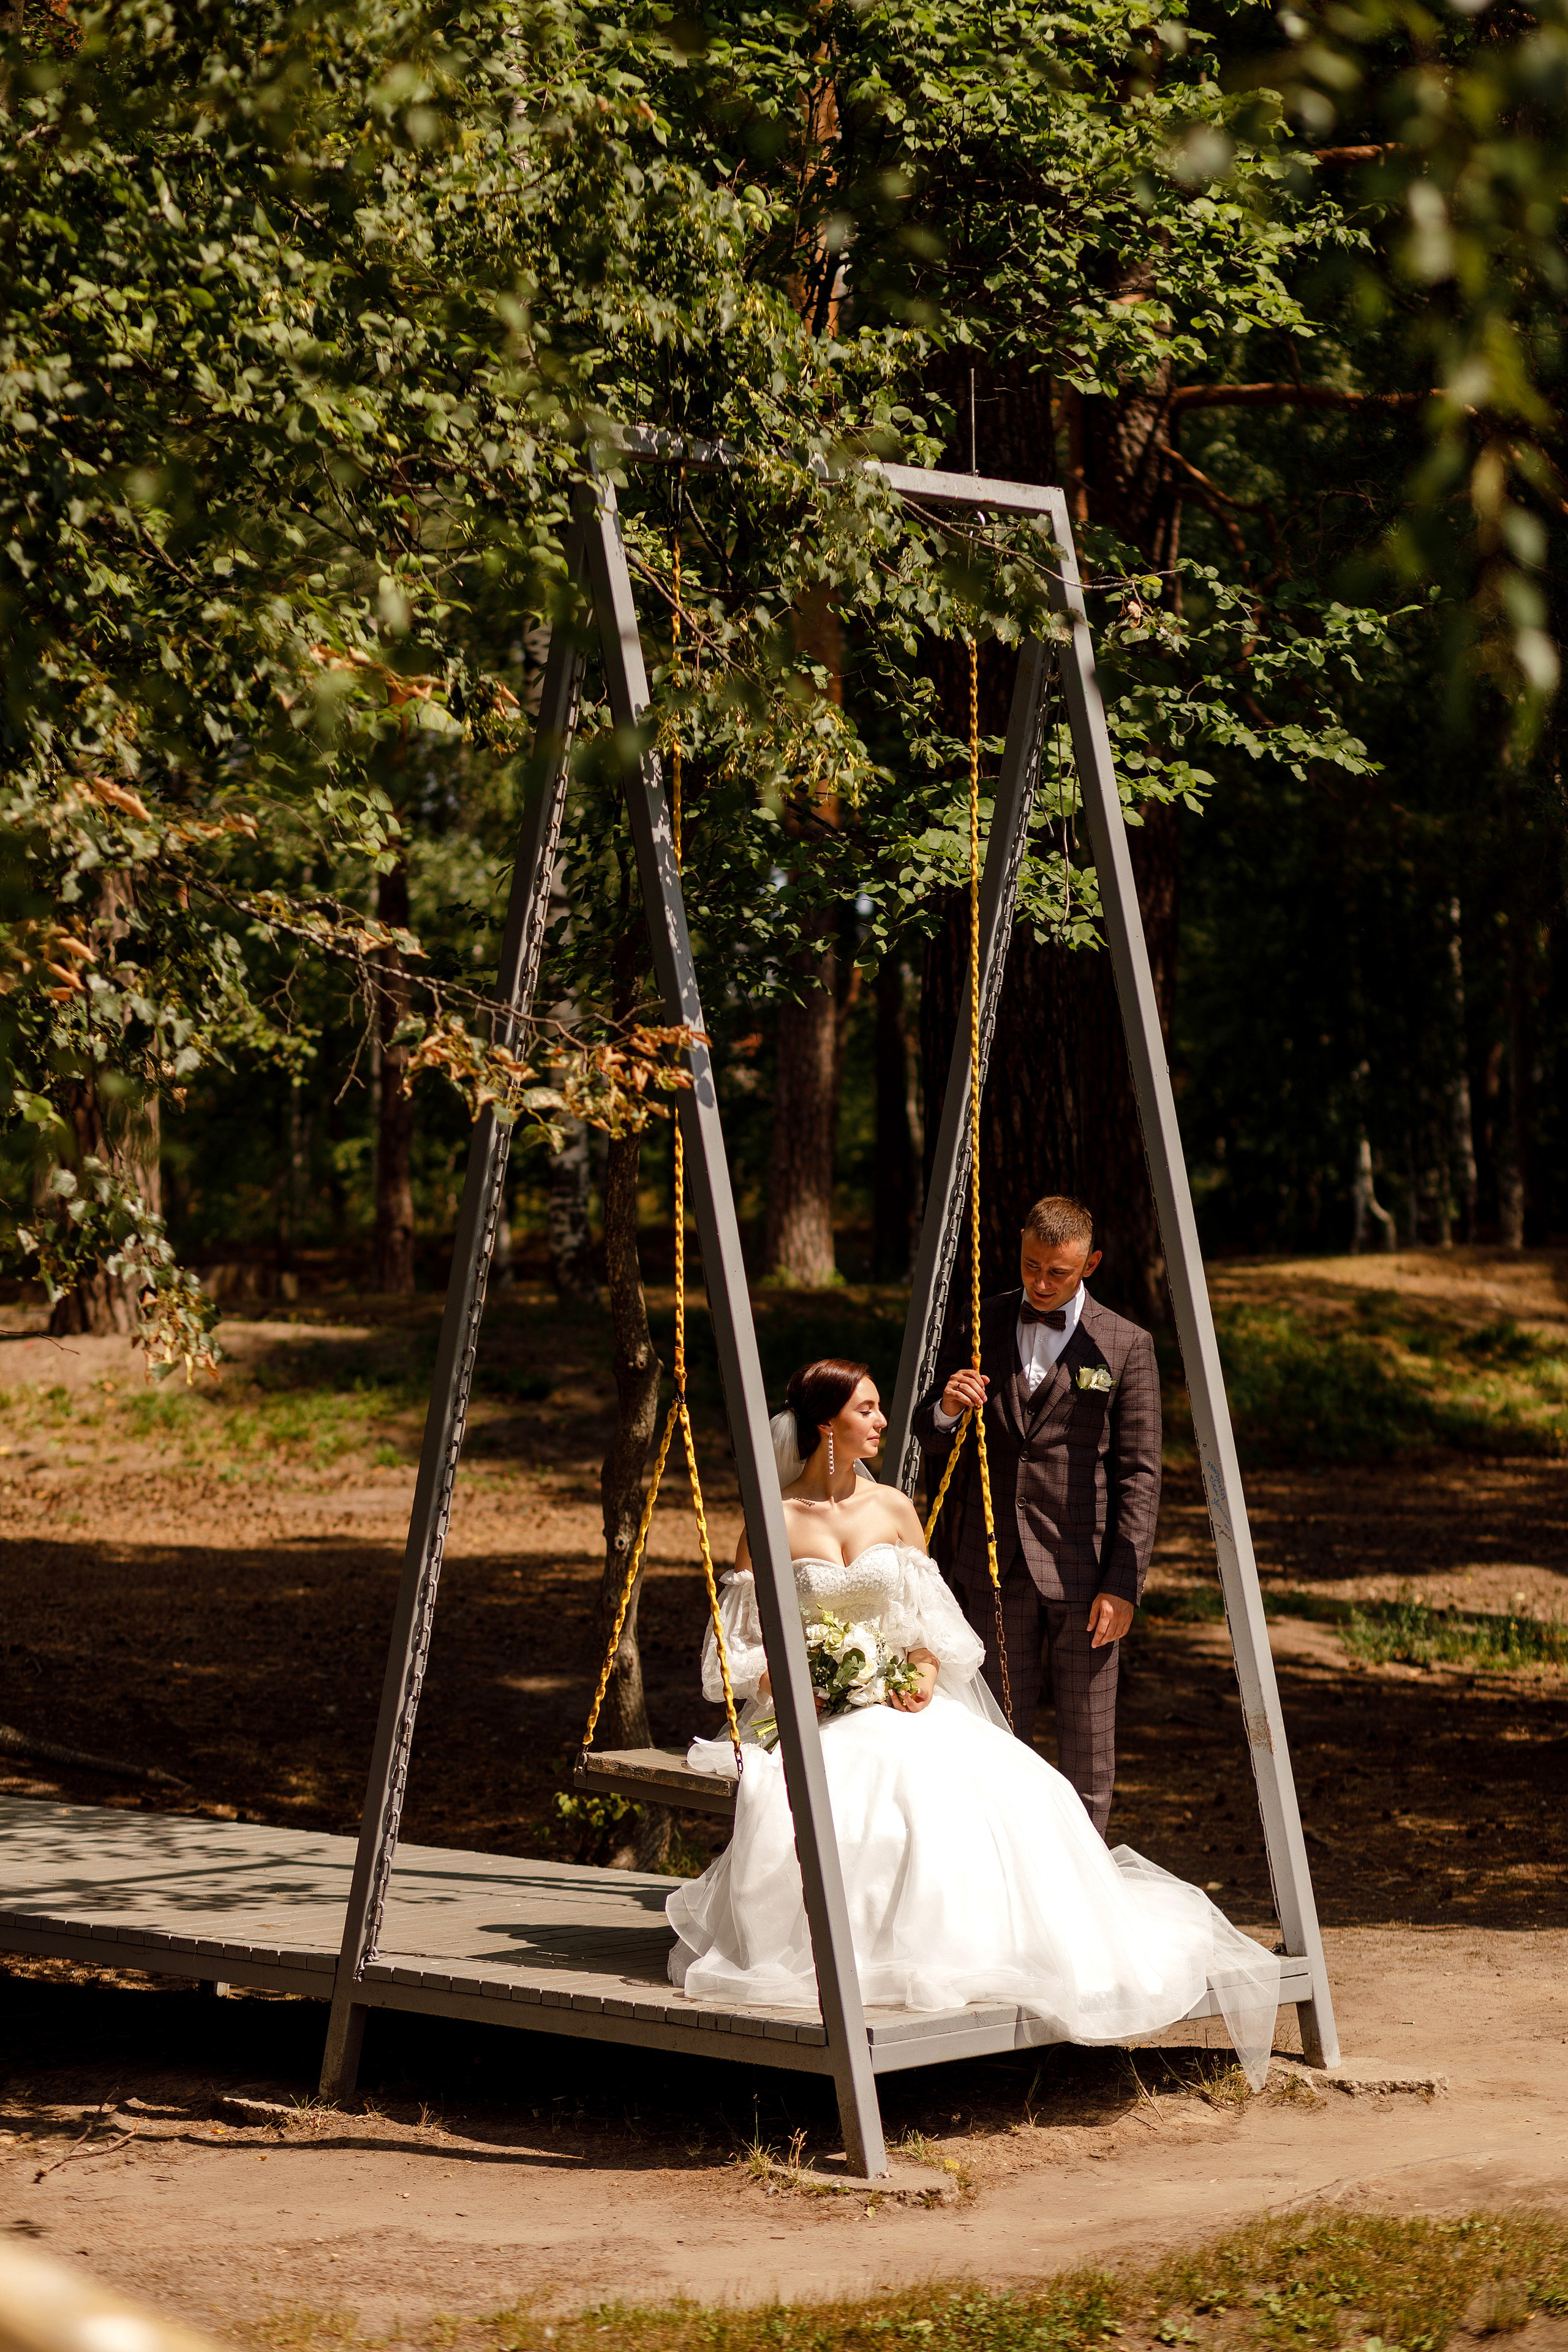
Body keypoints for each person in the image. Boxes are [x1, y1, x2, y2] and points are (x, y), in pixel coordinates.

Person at [668, 1358, 1279, 2087]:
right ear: (828, 1423)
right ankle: (866, 1951)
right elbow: (740, 1658)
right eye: (867, 1409)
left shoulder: (893, 1508)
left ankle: (988, 1945)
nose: (883, 1421)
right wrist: (811, 1679)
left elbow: (929, 1625)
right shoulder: (769, 1524)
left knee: (999, 1780)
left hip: (899, 1697)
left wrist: (922, 1669)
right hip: (815, 1711)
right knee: (874, 1783)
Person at [913, 1194, 1158, 1836]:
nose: (1042, 1284)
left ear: (1091, 1264)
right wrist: (944, 1409)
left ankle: (1085, 1898)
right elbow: (923, 1436)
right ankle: (995, 1882)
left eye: (1058, 1272)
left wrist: (1123, 1584)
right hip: (990, 1564)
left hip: (1086, 1576)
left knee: (1087, 1747)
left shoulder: (1126, 1345)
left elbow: (1139, 1474)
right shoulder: (977, 1320)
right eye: (1030, 1267)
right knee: (991, 1737)